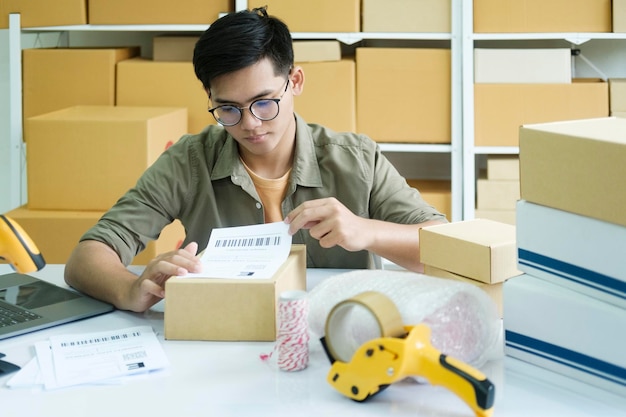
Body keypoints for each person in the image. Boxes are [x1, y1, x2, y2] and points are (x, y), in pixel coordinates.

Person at [64, 7, 447, 313]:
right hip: (224, 337)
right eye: (228, 108)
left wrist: (367, 231)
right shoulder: (188, 160)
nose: (250, 124)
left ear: (294, 82)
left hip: (337, 337)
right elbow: (88, 256)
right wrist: (129, 288)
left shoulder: (357, 159)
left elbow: (447, 248)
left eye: (265, 102)